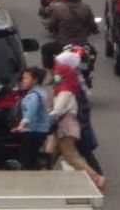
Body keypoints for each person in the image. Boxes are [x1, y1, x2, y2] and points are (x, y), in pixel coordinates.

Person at [47, 60, 105, 190]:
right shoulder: (62, 88)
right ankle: (42, 176)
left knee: (71, 156)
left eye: (57, 73)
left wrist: (46, 117)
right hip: (60, 127)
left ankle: (97, 178)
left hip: (65, 127)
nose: (54, 75)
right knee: (49, 153)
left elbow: (58, 110)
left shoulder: (65, 91)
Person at [40, 0, 98, 69]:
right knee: (93, 53)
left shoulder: (58, 8)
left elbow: (51, 26)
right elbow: (93, 27)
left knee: (45, 49)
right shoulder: (86, 8)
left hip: (63, 44)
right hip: (82, 44)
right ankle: (86, 74)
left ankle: (54, 75)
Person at [12, 67, 51, 170]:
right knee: (32, 157)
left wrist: (20, 127)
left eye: (26, 78)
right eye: (23, 78)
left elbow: (30, 114)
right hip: (41, 130)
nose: (23, 81)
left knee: (26, 159)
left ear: (35, 80)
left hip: (33, 131)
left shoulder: (33, 95)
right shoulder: (42, 92)